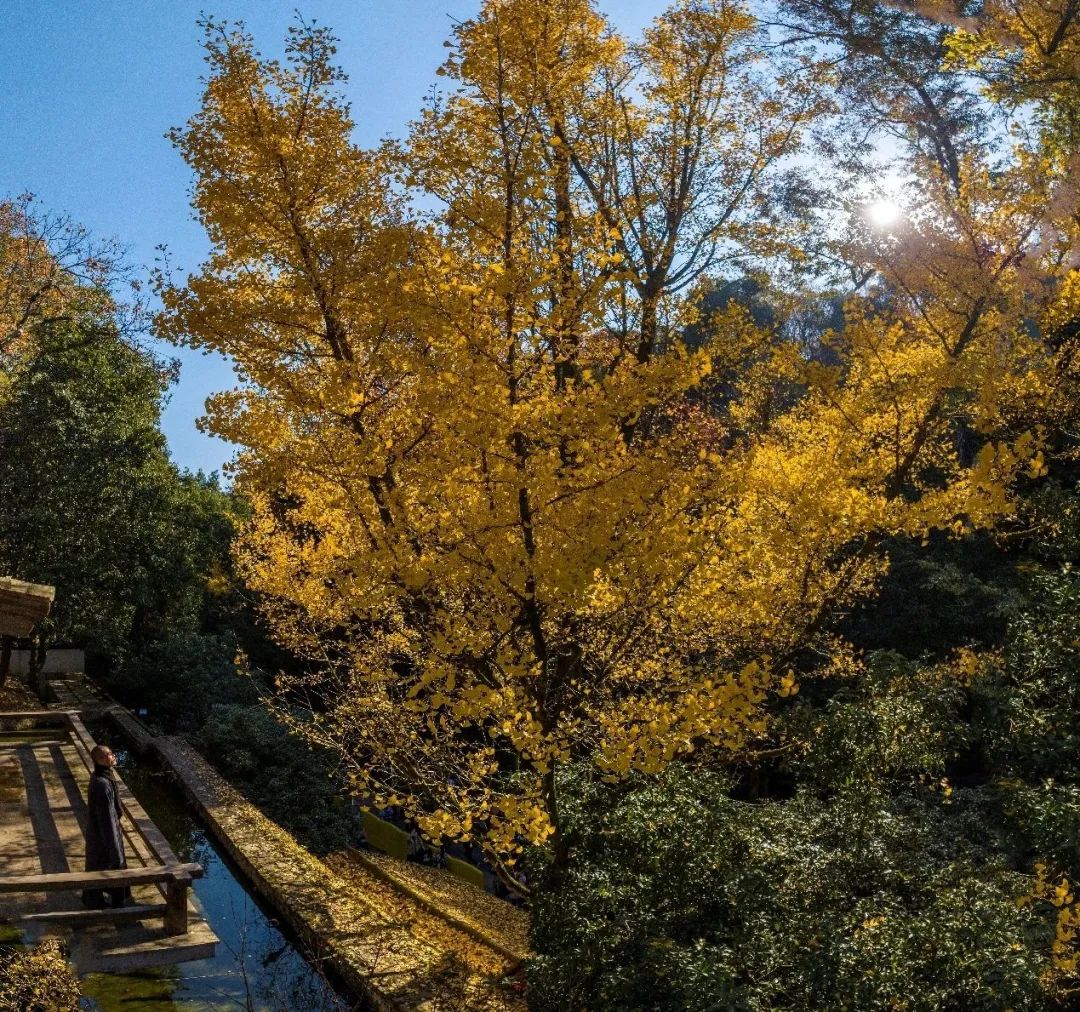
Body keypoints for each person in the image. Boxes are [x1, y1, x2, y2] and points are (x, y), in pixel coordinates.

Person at [81, 744, 131, 909]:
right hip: (103, 834)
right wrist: (114, 847)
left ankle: (96, 899)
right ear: (100, 759)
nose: (113, 756)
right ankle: (106, 904)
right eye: (110, 754)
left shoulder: (103, 776)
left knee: (98, 864)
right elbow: (107, 817)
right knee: (108, 863)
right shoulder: (101, 783)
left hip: (102, 831)